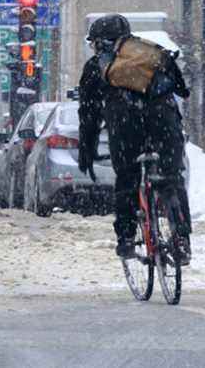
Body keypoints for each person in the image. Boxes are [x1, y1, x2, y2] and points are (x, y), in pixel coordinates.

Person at [78, 14, 192, 263]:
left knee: (128, 179)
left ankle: (127, 238)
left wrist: (87, 148)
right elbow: (182, 89)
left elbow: (89, 114)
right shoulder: (152, 53)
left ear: (98, 43)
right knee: (172, 180)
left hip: (125, 125)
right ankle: (181, 239)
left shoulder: (96, 66)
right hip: (164, 122)